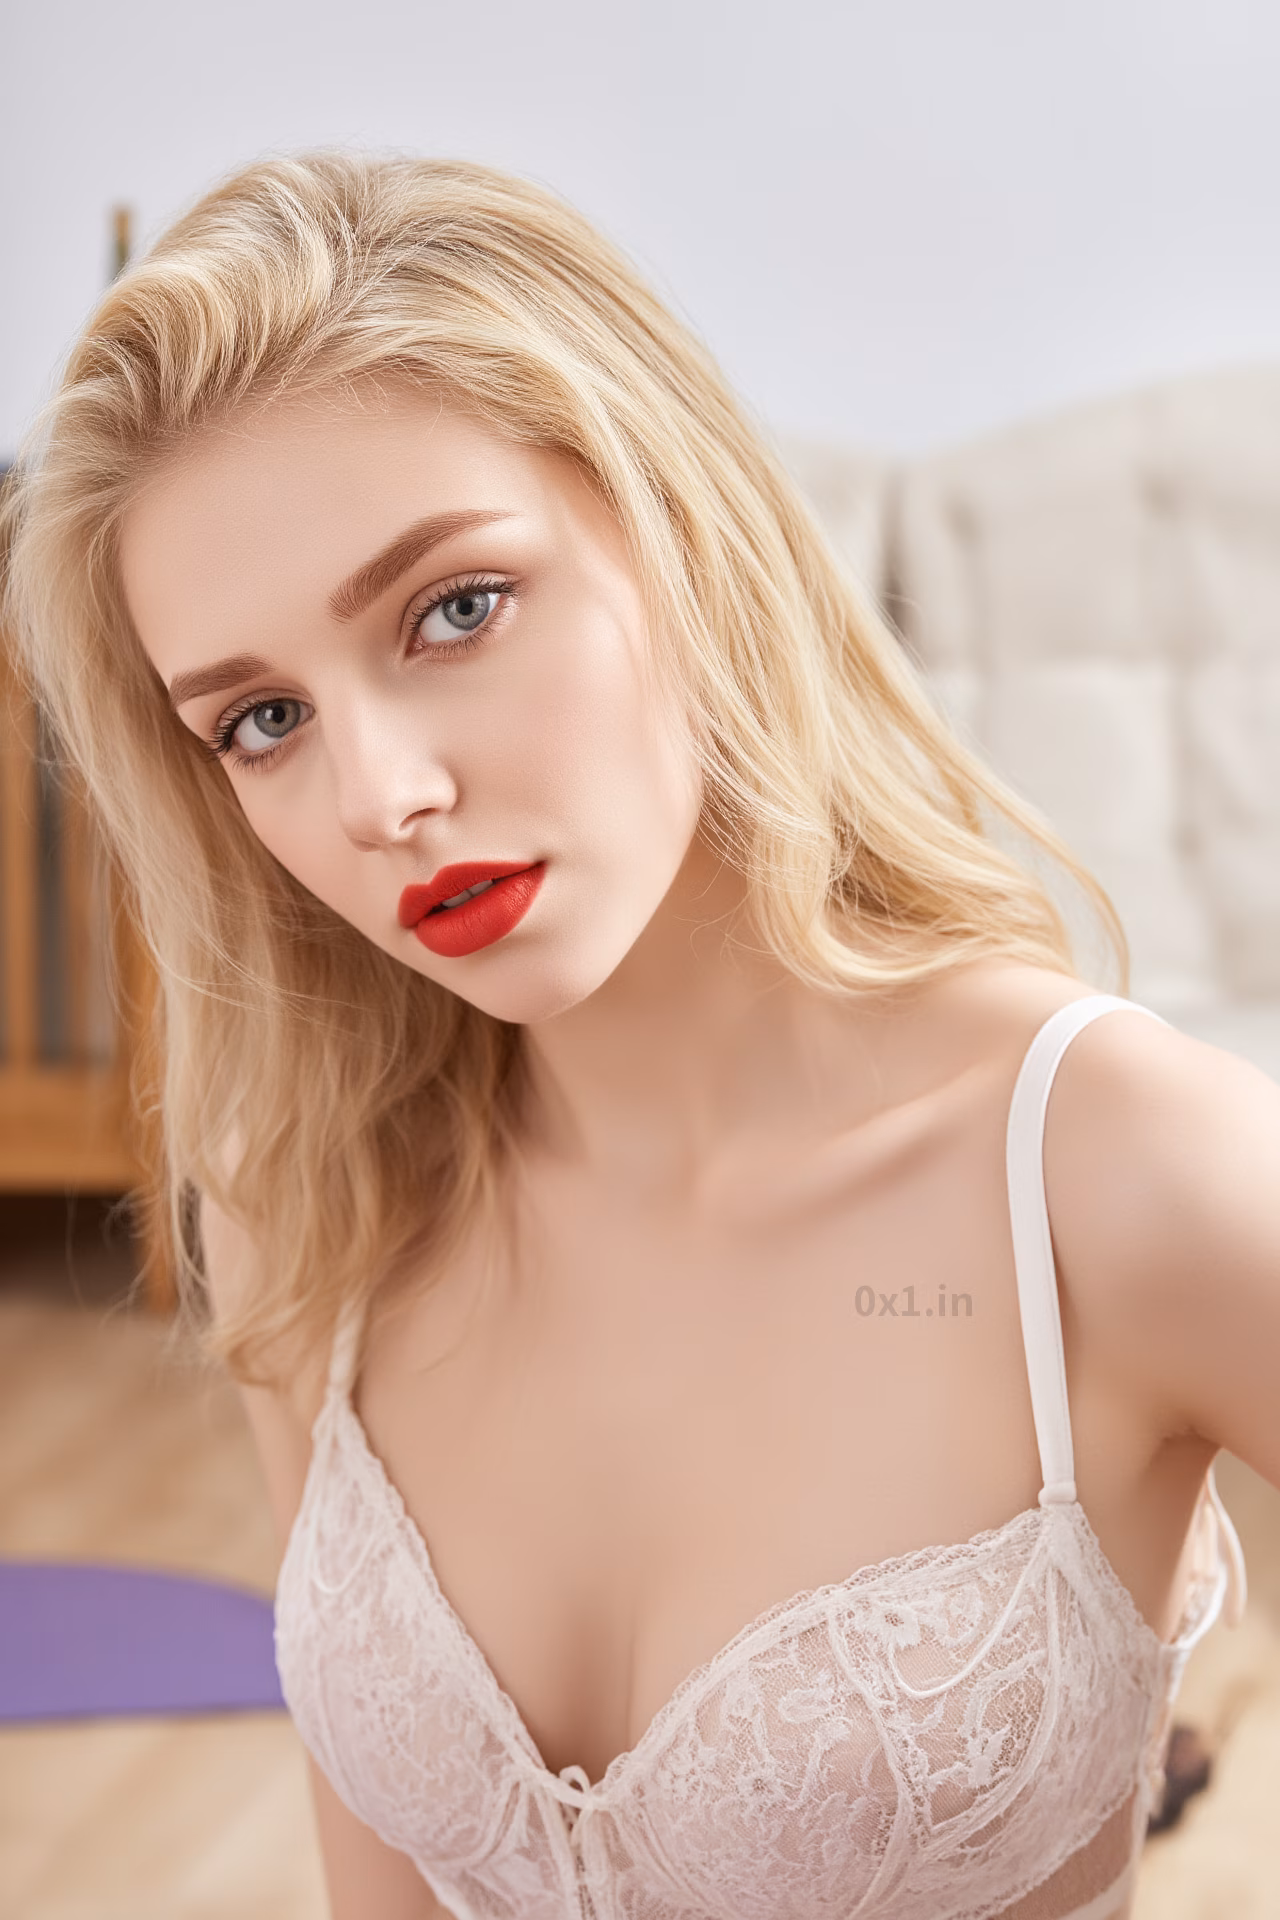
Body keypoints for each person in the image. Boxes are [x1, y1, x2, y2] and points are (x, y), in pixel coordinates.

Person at [3, 152, 1275, 1920]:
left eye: (455, 610)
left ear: (677, 531)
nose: (383, 797)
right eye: (266, 719)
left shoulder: (1121, 1178)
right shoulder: (306, 1191)